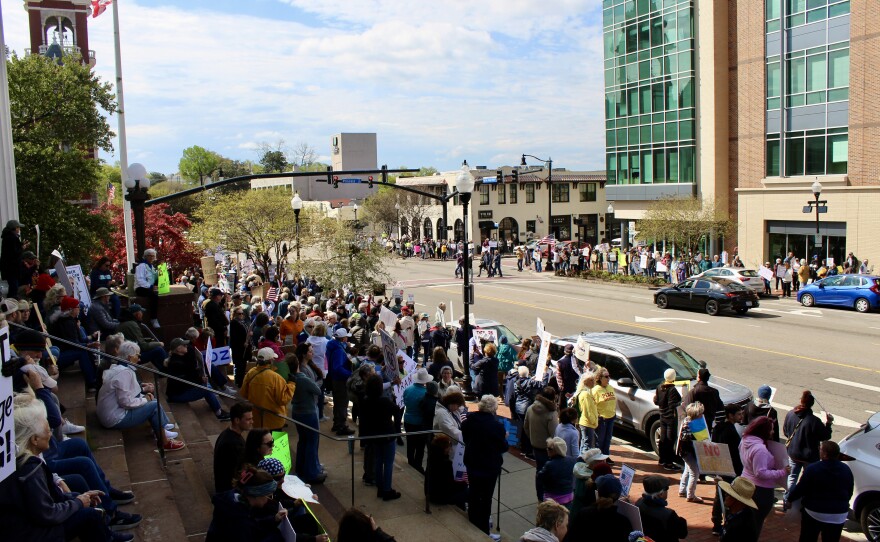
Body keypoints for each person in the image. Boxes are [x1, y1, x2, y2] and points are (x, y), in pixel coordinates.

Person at [0, 394, 120, 542]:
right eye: (46, 429)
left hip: (28, 526)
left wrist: (77, 498)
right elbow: (47, 514)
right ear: (34, 439)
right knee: (90, 516)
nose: (50, 433)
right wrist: (78, 502)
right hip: (32, 534)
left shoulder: (22, 460)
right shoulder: (29, 469)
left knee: (81, 499)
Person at [96, 340, 184, 451]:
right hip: (113, 418)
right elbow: (125, 402)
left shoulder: (118, 367)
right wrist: (145, 399)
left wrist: (142, 387)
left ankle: (161, 426)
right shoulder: (125, 373)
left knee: (149, 398)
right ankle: (165, 442)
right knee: (153, 406)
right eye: (137, 355)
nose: (139, 359)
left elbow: (126, 389)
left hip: (108, 414)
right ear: (129, 357)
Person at [787, 440, 854, 542]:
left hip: (815, 511)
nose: (819, 450)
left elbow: (801, 488)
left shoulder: (813, 468)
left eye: (820, 449)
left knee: (807, 537)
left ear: (825, 454)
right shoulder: (846, 469)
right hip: (838, 515)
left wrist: (790, 499)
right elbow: (849, 491)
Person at [461, 395, 508, 535]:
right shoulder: (496, 427)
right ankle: (483, 528)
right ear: (494, 409)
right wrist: (504, 438)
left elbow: (466, 438)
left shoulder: (469, 421)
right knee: (486, 498)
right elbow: (503, 447)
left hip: (472, 464)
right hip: (489, 468)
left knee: (474, 493)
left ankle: (473, 520)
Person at [205, 466, 290, 542]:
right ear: (257, 495)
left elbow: (253, 524)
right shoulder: (239, 522)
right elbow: (250, 529)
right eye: (268, 496)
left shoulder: (233, 502)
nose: (268, 500)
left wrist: (274, 519)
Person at [739, 416, 790, 536]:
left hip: (745, 484)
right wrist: (782, 472)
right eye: (770, 429)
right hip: (760, 491)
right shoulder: (760, 449)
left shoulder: (745, 440)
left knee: (745, 522)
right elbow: (760, 473)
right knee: (755, 524)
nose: (772, 432)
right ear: (763, 431)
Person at [783, 390, 833, 504]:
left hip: (793, 452)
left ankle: (787, 499)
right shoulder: (814, 421)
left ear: (801, 401)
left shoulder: (790, 414)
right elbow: (825, 435)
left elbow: (786, 432)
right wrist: (829, 423)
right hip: (809, 457)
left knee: (792, 477)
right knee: (808, 479)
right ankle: (804, 501)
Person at [165, 337, 231, 421]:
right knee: (206, 389)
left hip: (179, 391)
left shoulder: (180, 358)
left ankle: (216, 407)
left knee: (205, 386)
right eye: (184, 345)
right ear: (178, 349)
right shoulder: (176, 363)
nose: (187, 346)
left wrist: (200, 379)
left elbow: (188, 376)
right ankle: (219, 413)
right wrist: (200, 380)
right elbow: (186, 381)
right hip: (176, 396)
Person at [359, 374, 401, 501]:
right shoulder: (384, 401)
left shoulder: (365, 400)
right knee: (388, 463)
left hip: (375, 435)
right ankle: (387, 490)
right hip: (388, 435)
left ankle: (380, 488)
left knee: (378, 461)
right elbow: (397, 410)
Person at [48, 296, 99, 390]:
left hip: (66, 350)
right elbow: (72, 343)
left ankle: (95, 376)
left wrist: (92, 338)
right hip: (59, 355)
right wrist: (88, 345)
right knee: (82, 352)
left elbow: (78, 340)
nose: (79, 309)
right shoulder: (66, 322)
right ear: (70, 309)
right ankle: (91, 382)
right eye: (78, 307)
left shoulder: (70, 320)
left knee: (86, 348)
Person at [290, 353, 326, 484]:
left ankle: (301, 469)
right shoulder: (302, 379)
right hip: (308, 413)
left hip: (297, 412)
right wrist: (320, 380)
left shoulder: (291, 378)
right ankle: (312, 473)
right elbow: (317, 390)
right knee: (311, 442)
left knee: (303, 441)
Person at [240, 347, 296, 432]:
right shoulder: (276, 378)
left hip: (257, 420)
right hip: (276, 421)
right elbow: (283, 400)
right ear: (271, 360)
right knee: (279, 445)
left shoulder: (250, 373)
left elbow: (244, 393)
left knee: (259, 444)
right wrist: (292, 384)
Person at [565, 474, 632, 542]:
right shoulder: (624, 522)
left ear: (598, 492)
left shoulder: (583, 514)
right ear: (618, 496)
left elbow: (570, 538)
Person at [711, 404, 745, 535]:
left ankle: (716, 523)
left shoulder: (718, 427)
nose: (741, 416)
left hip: (719, 466)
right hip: (730, 468)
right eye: (739, 414)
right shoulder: (730, 431)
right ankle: (726, 523)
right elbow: (735, 453)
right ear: (731, 415)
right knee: (728, 497)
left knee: (718, 496)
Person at [524, 386, 559, 501]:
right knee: (550, 474)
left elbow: (526, 427)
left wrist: (533, 438)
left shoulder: (530, 408)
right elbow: (554, 434)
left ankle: (540, 497)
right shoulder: (551, 413)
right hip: (548, 449)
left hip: (536, 446)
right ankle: (548, 497)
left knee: (539, 472)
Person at [213, 402, 255, 494]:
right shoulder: (234, 444)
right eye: (248, 419)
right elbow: (239, 473)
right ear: (237, 420)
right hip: (229, 491)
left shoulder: (227, 433)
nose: (252, 422)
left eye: (252, 418)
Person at [634, 475, 688, 542]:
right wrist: (681, 521)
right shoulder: (668, 514)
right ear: (661, 494)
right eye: (667, 488)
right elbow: (682, 534)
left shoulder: (638, 503)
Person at [117, 304, 168, 369]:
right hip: (131, 357)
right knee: (159, 350)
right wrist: (159, 343)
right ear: (138, 314)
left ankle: (161, 371)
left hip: (126, 354)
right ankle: (167, 371)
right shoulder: (132, 324)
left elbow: (135, 340)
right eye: (141, 312)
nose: (142, 314)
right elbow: (143, 346)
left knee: (154, 349)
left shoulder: (123, 323)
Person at [402, 367, 433, 473]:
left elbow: (405, 402)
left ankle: (410, 461)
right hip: (419, 422)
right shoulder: (425, 393)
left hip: (408, 419)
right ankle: (418, 465)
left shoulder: (408, 389)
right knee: (420, 446)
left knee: (410, 443)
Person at [425, 433, 467, 509]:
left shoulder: (431, 458)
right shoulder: (446, 463)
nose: (450, 449)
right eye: (449, 446)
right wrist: (463, 484)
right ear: (444, 448)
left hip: (429, 493)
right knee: (466, 490)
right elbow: (450, 485)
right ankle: (462, 508)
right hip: (440, 497)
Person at [326, 327, 354, 435]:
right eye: (346, 337)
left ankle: (337, 424)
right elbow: (337, 367)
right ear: (343, 339)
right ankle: (341, 426)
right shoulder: (338, 350)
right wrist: (350, 374)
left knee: (338, 403)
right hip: (340, 380)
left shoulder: (334, 346)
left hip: (336, 379)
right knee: (342, 403)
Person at [677, 401, 705, 503]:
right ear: (696, 415)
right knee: (694, 473)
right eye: (701, 413)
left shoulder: (686, 421)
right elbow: (692, 441)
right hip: (688, 452)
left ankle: (682, 490)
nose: (702, 415)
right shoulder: (691, 426)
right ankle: (691, 495)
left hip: (684, 452)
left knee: (687, 470)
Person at [654, 368, 682, 471]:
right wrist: (680, 402)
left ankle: (662, 459)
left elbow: (656, 401)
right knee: (670, 440)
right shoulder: (672, 390)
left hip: (662, 416)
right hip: (670, 418)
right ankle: (669, 463)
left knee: (663, 439)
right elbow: (672, 405)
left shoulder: (659, 387)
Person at [718, 476, 759, 542]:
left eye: (729, 494)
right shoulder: (736, 512)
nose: (725, 494)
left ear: (738, 500)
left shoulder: (741, 526)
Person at [538, 437, 576, 506]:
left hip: (553, 498)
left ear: (556, 451)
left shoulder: (550, 465)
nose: (547, 450)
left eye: (549, 448)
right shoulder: (572, 460)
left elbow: (540, 477)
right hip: (568, 496)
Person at [592, 367, 617, 464]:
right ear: (600, 378)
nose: (608, 378)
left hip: (611, 417)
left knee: (608, 439)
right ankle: (598, 457)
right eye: (606, 376)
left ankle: (606, 456)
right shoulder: (595, 390)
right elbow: (593, 405)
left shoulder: (610, 387)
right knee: (600, 440)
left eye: (609, 376)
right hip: (602, 419)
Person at [134, 248, 161, 328]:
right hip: (140, 288)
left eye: (153, 256)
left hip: (149, 287)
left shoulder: (151, 266)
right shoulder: (141, 266)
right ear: (145, 256)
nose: (152, 258)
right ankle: (153, 319)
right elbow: (140, 280)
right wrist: (151, 287)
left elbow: (154, 277)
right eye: (150, 256)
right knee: (154, 296)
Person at [574, 372, 598, 455]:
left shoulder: (586, 393)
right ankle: (583, 463)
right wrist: (594, 421)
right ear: (585, 382)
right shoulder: (585, 394)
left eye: (593, 380)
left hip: (586, 423)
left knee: (584, 443)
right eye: (591, 380)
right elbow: (588, 411)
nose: (593, 382)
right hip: (588, 423)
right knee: (587, 446)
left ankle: (580, 461)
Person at [0, 219, 25, 293]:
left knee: (12, 287)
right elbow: (14, 253)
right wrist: (22, 247)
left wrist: (20, 245)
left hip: (8, 269)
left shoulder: (7, 237)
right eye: (18, 227)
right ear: (14, 228)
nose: (19, 229)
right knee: (13, 289)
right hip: (12, 269)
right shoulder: (12, 238)